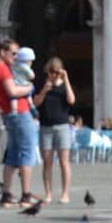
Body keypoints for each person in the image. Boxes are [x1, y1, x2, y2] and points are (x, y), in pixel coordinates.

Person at [0, 37, 38, 207]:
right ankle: (26, 195)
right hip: (20, 113)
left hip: (10, 114)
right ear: (2, 52)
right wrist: (30, 88)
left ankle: (7, 195)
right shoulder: (2, 68)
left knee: (12, 155)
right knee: (27, 152)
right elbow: (13, 90)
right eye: (14, 53)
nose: (16, 57)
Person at [34, 57, 76, 204]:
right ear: (47, 72)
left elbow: (71, 100)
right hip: (45, 126)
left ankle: (65, 193)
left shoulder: (64, 85)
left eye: (57, 72)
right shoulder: (42, 84)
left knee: (64, 162)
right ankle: (48, 193)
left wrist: (67, 80)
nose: (54, 75)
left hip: (62, 126)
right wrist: (45, 90)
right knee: (47, 162)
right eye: (51, 72)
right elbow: (35, 102)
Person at [12, 47, 37, 115]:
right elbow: (32, 75)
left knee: (14, 98)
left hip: (15, 84)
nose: (31, 63)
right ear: (27, 60)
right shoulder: (24, 66)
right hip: (23, 84)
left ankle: (14, 110)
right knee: (29, 93)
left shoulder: (14, 65)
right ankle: (32, 106)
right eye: (30, 61)